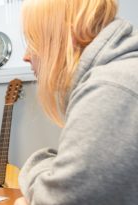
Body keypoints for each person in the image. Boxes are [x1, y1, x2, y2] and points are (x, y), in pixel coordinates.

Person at [15, 0, 138, 204]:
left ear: (66, 35)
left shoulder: (111, 88)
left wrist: (36, 166)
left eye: (34, 40)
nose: (26, 56)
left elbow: (58, 199)